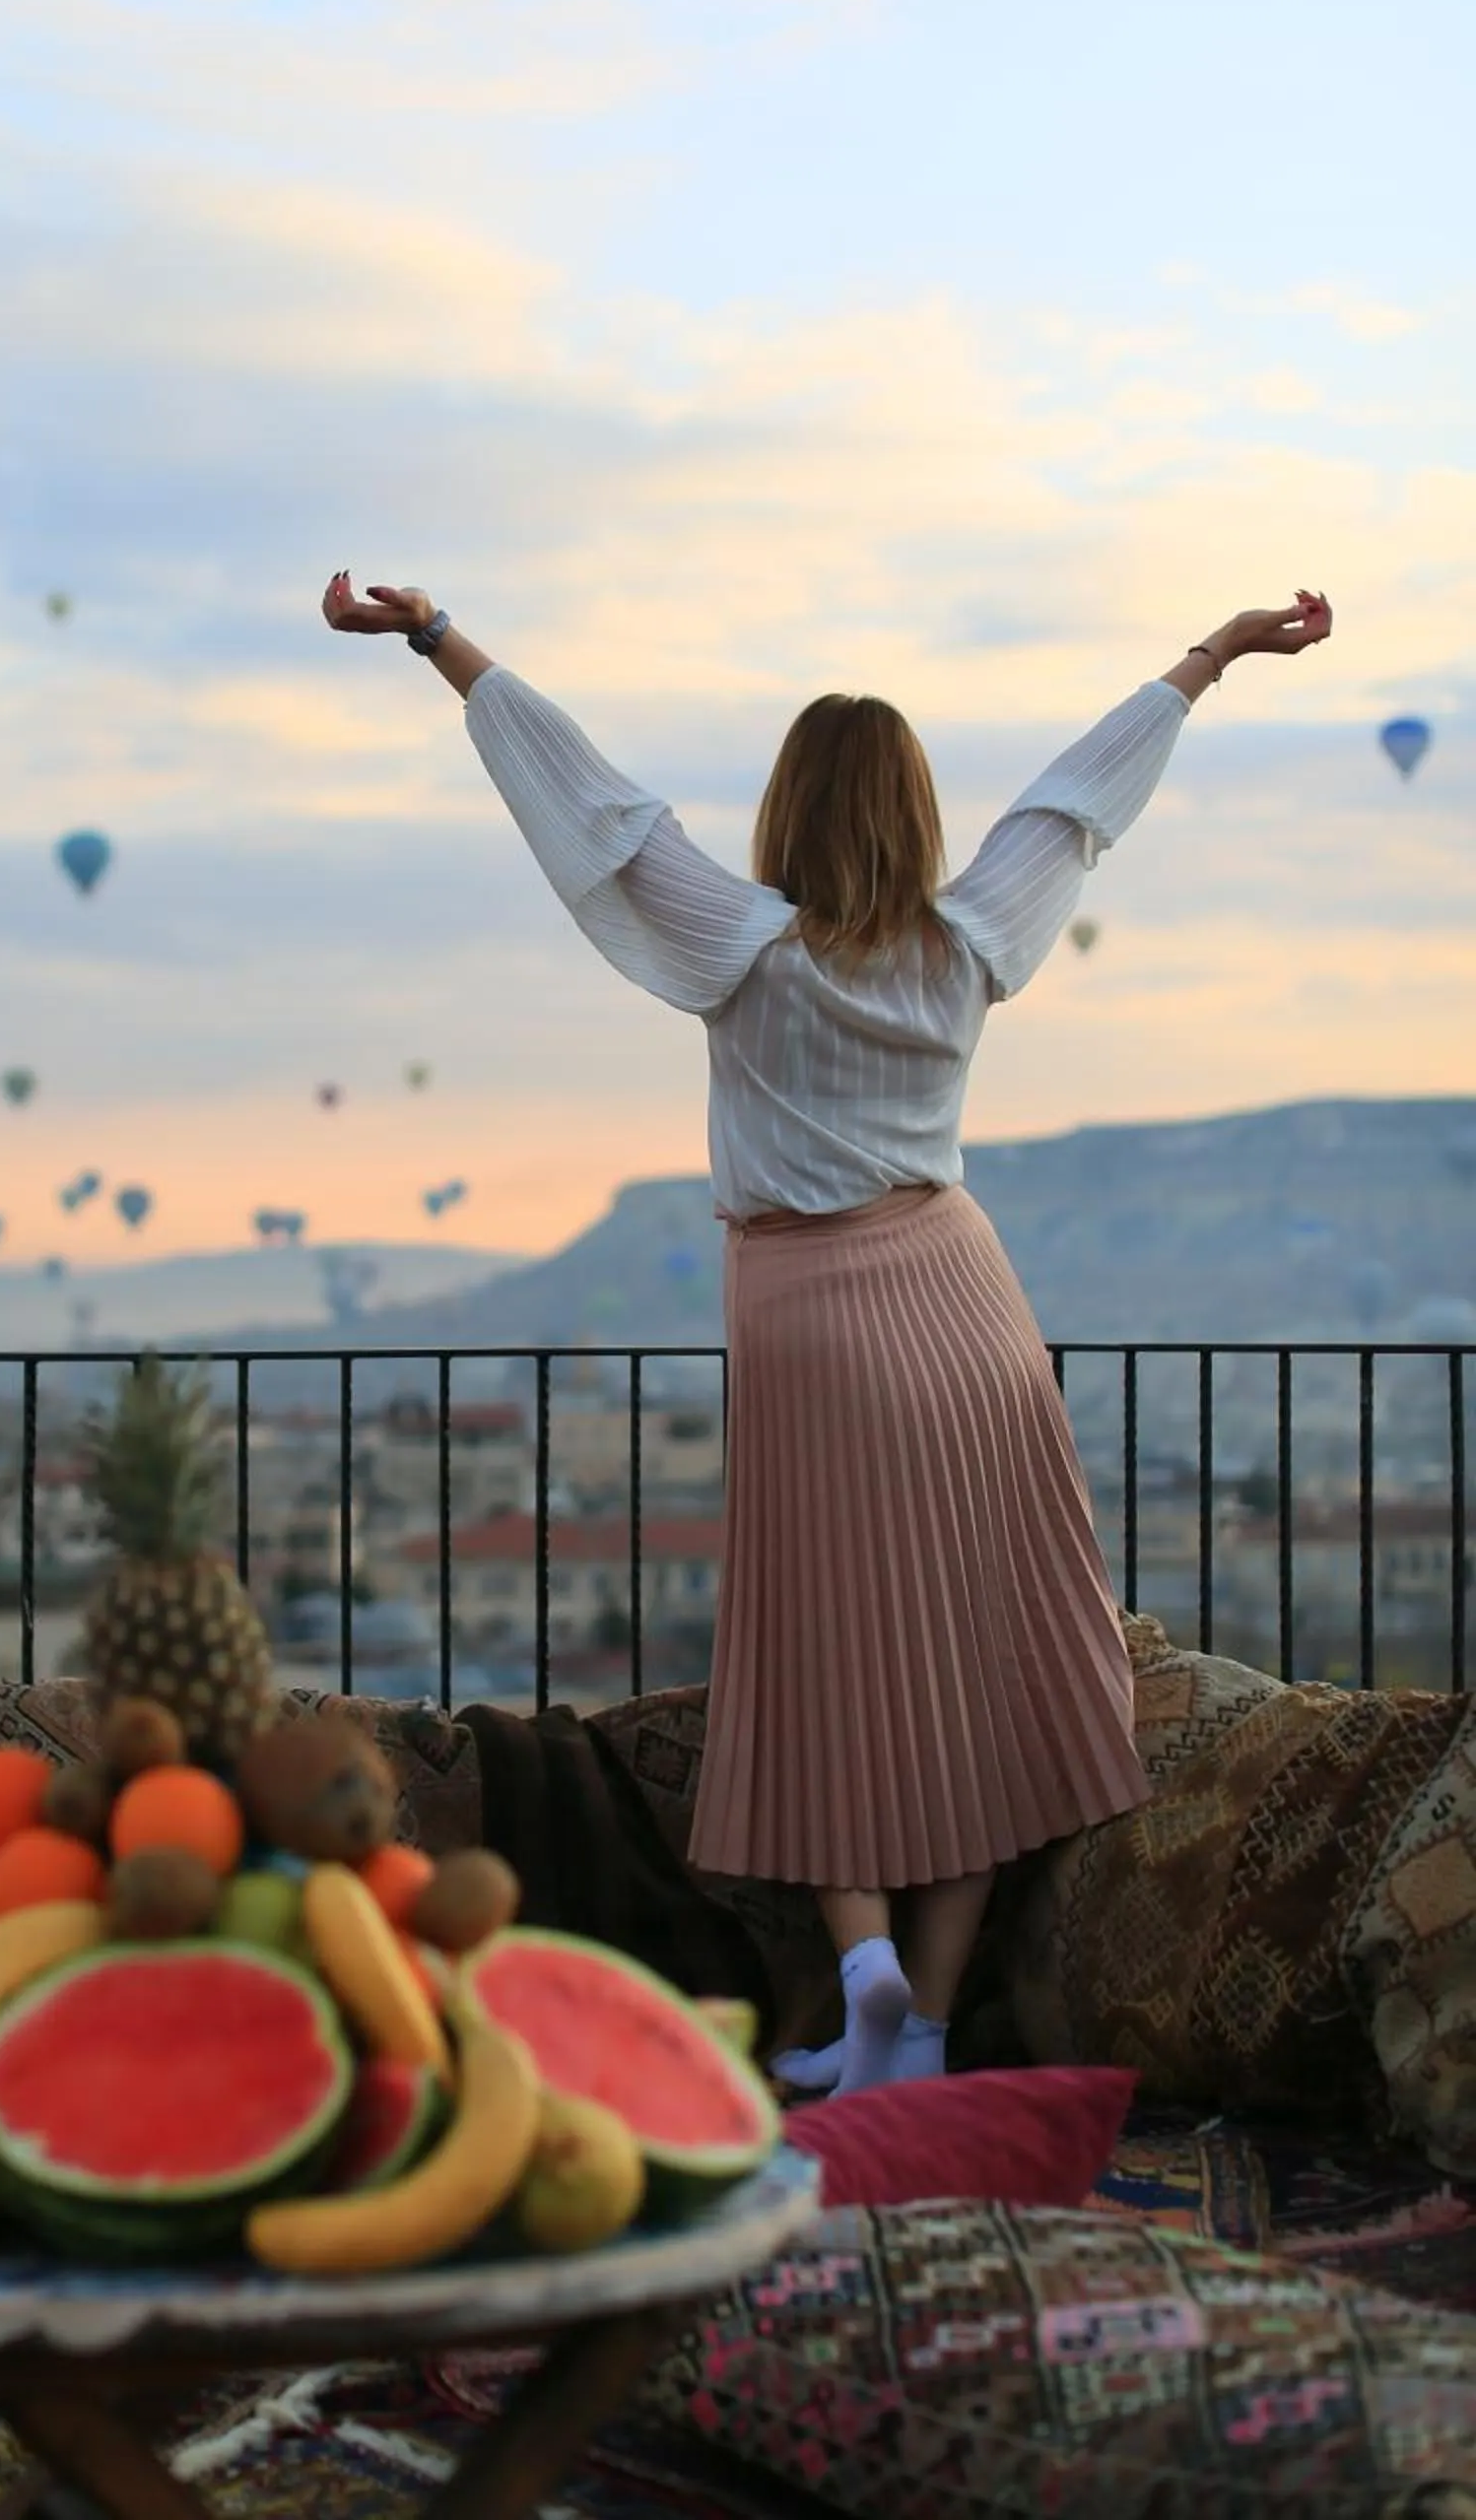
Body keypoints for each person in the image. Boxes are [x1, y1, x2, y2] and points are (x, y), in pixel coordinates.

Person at [322, 572, 1334, 2090]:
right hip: (968, 1309)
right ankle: (919, 2027)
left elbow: (595, 810)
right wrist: (1217, 656)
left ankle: (861, 1970)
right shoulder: (969, 939)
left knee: (821, 1661)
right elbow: (1074, 803)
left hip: (808, 1318)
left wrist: (433, 638)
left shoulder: (745, 946)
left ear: (790, 814)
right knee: (992, 1662)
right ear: (918, 817)